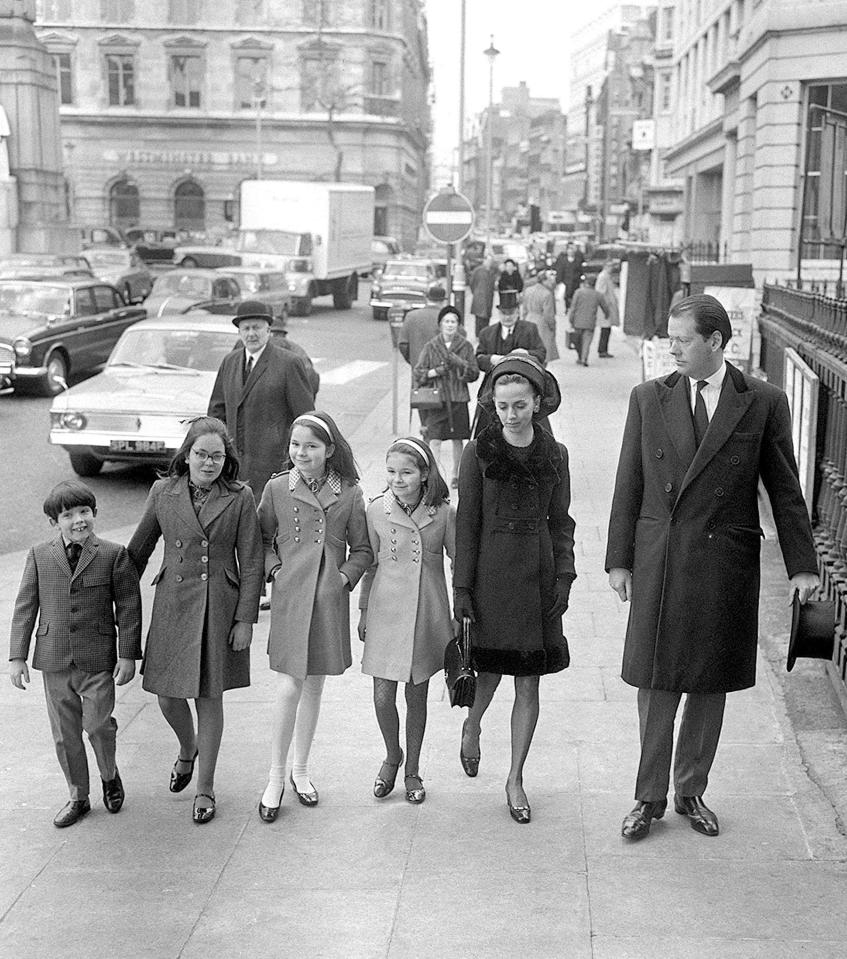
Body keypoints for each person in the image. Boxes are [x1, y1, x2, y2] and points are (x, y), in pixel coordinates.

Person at [606, 293, 820, 842]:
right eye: (671, 338)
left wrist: (802, 566)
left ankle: (690, 790)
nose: (670, 348)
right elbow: (629, 481)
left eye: (682, 340)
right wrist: (619, 560)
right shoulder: (649, 398)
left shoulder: (762, 401)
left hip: (725, 559)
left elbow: (784, 487)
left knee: (707, 683)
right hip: (662, 558)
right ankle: (647, 796)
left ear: (716, 343)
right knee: (655, 682)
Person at [453, 354, 576, 824]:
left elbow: (561, 522)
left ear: (538, 403)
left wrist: (564, 575)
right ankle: (472, 724)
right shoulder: (478, 451)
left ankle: (515, 778)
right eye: (502, 406)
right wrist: (462, 588)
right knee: (488, 671)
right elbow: (467, 524)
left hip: (539, 574)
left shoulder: (555, 454)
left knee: (529, 678)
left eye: (520, 405)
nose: (510, 415)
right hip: (491, 574)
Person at [128, 417, 264, 825]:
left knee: (209, 697)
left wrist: (246, 619)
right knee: (166, 694)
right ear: (186, 455)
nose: (209, 463)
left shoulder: (240, 497)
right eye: (201, 454)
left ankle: (205, 787)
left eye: (217, 456)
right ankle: (188, 749)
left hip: (218, 607)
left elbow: (253, 560)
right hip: (173, 602)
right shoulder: (162, 492)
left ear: (227, 459)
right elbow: (138, 549)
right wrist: (111, 593)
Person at [257, 412, 373, 823]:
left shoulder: (351, 494)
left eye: (311, 446)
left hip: (327, 600)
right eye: (295, 445)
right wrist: (274, 570)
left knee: (315, 685)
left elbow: (362, 550)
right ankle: (275, 777)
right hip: (290, 597)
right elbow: (261, 539)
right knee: (289, 685)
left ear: (329, 450)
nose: (301, 453)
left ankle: (301, 770)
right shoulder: (276, 488)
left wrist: (342, 579)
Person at [9, 481, 142, 828]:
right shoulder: (39, 555)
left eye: (84, 512)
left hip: (97, 658)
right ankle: (78, 796)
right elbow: (26, 606)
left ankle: (109, 775)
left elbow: (128, 607)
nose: (78, 520)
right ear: (55, 522)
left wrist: (127, 655)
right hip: (53, 658)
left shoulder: (114, 554)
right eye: (68, 515)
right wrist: (16, 656)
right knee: (65, 734)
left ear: (94, 514)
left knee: (98, 724)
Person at [358, 438, 456, 805]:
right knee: (383, 697)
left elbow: (457, 560)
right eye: (392, 472)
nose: (397, 479)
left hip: (426, 614)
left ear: (424, 474)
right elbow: (370, 564)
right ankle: (392, 755)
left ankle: (413, 769)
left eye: (406, 472)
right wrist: (365, 610)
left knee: (418, 697)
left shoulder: (443, 512)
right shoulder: (375, 511)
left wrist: (459, 610)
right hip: (385, 612)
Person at [207, 299, 315, 499]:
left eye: (257, 327)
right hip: (233, 470)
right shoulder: (230, 362)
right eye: (245, 328)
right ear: (239, 332)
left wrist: (299, 463)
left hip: (273, 469)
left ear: (269, 330)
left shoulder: (289, 363)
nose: (251, 334)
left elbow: (306, 420)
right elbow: (216, 412)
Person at [413, 305, 480, 488]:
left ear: (458, 325)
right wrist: (435, 372)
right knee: (434, 438)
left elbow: (474, 373)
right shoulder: (431, 346)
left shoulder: (465, 346)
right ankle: (436, 475)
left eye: (454, 322)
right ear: (440, 324)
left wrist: (460, 363)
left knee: (458, 438)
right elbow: (419, 372)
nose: (450, 325)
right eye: (447, 321)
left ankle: (455, 474)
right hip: (437, 400)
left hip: (458, 399)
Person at [474, 301, 546, 436]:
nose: (507, 317)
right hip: (494, 388)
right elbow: (477, 358)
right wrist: (491, 359)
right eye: (504, 313)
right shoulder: (486, 333)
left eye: (511, 313)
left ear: (518, 312)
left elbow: (541, 353)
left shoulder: (530, 329)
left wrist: (527, 354)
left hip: (524, 386)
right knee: (488, 427)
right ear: (498, 313)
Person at [568, 274, 609, 368]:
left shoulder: (578, 292)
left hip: (577, 321)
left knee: (577, 341)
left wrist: (571, 319)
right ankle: (584, 358)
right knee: (587, 341)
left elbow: (573, 307)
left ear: (586, 282)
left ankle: (580, 356)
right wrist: (607, 315)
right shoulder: (598, 294)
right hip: (590, 322)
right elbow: (605, 307)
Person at [521, 269, 559, 365]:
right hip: (542, 323)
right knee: (542, 352)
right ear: (544, 280)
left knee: (530, 351)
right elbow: (548, 314)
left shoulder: (528, 290)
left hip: (529, 319)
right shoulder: (547, 294)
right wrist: (552, 327)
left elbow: (524, 310)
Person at [469, 254, 498, 339]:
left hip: (488, 298)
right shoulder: (478, 270)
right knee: (479, 318)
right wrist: (476, 293)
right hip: (479, 298)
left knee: (486, 318)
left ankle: (485, 335)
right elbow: (472, 283)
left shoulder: (492, 272)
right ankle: (478, 336)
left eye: (491, 261)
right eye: (488, 261)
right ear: (484, 260)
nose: (489, 263)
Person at [595, 259, 620, 359]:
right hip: (605, 308)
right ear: (605, 266)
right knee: (605, 329)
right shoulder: (603, 277)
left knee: (607, 329)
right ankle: (602, 350)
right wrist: (606, 305)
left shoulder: (606, 276)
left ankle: (604, 349)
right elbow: (600, 292)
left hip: (607, 307)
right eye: (610, 266)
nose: (612, 268)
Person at [554, 242, 584, 308]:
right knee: (567, 296)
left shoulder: (577, 261)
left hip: (575, 282)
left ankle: (575, 307)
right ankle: (567, 307)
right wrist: (559, 280)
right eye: (569, 252)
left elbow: (580, 271)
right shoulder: (563, 261)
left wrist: (580, 278)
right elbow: (560, 271)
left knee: (575, 295)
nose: (570, 253)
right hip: (566, 282)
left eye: (572, 252)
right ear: (567, 252)